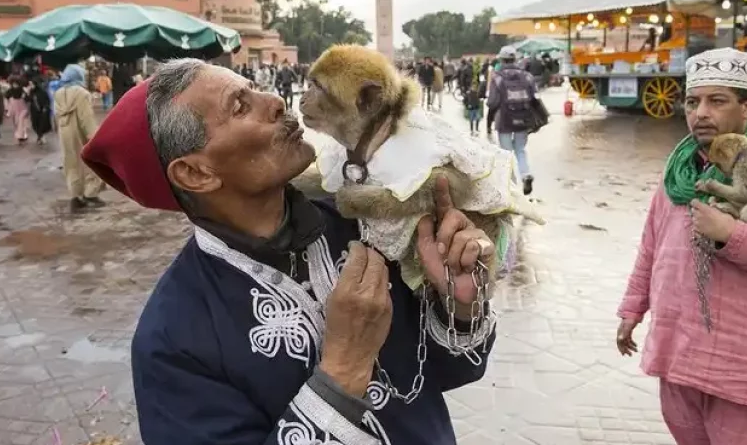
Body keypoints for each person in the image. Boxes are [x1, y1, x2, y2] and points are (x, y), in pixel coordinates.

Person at [81, 59, 497, 445]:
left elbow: (447, 369)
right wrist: (344, 370)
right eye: (241, 106)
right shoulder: (172, 340)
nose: (277, 101)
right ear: (195, 173)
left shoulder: (367, 224)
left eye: (256, 88)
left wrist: (460, 305)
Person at [617, 48, 747, 445]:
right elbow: (652, 244)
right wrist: (633, 309)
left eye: (717, 101)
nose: (701, 113)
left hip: (742, 368)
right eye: (693, 102)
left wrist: (731, 237)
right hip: (678, 352)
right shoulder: (678, 172)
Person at [54, 64, 105, 213]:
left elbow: (57, 115)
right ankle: (91, 194)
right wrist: (95, 138)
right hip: (80, 133)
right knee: (92, 162)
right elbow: (86, 118)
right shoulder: (82, 93)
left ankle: (75, 196)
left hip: (65, 133)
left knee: (70, 164)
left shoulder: (58, 93)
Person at [487, 46, 537, 196]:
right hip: (523, 120)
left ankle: (513, 186)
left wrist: (489, 122)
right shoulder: (527, 77)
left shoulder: (497, 78)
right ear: (515, 59)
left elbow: (492, 103)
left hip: (504, 121)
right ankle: (526, 175)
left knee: (506, 153)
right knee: (521, 150)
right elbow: (535, 98)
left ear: (501, 60)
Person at [26, 78, 53, 145]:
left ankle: (40, 136)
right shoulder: (31, 92)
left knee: (41, 124)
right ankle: (40, 136)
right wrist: (26, 94)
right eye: (30, 84)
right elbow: (29, 100)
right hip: (34, 111)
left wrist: (45, 107)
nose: (31, 85)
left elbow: (47, 100)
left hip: (42, 111)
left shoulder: (42, 92)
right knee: (35, 124)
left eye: (31, 84)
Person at [5, 77, 30, 144]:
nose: (15, 85)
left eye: (16, 84)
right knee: (16, 122)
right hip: (14, 107)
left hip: (22, 107)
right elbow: (6, 97)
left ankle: (20, 135)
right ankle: (22, 134)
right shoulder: (10, 90)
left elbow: (27, 99)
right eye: (13, 84)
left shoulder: (22, 90)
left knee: (21, 120)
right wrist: (8, 109)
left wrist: (25, 96)